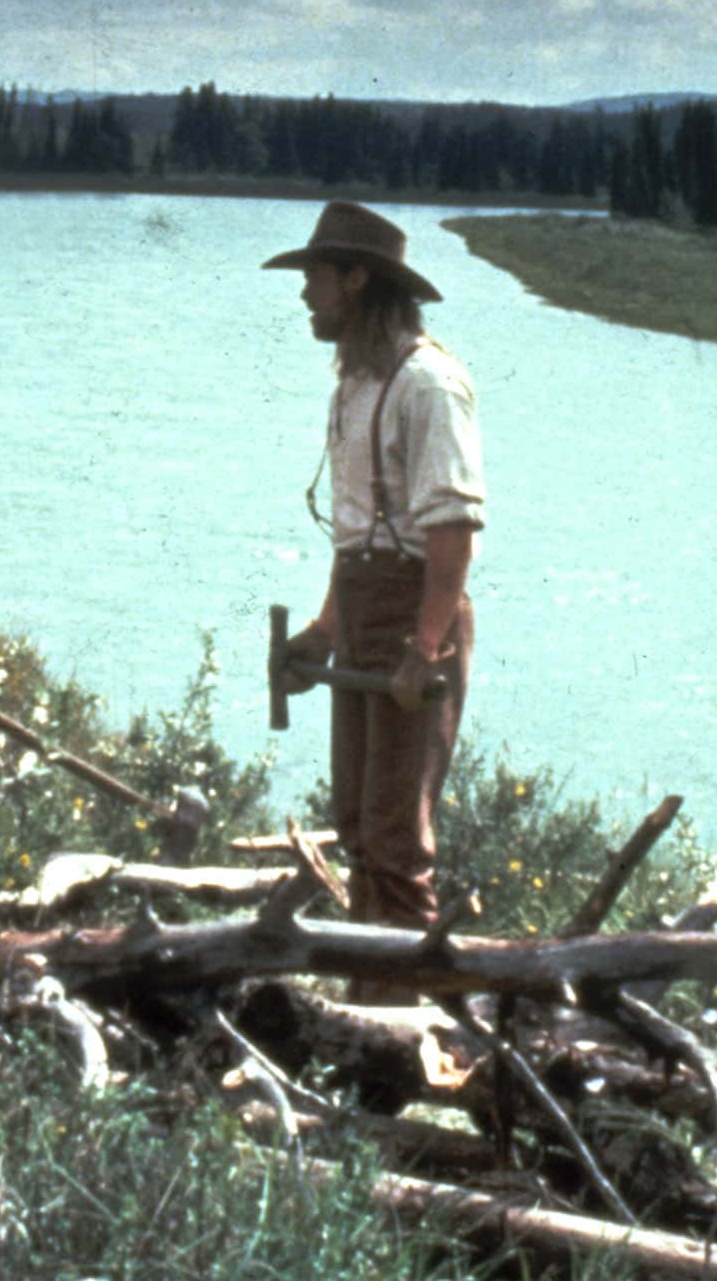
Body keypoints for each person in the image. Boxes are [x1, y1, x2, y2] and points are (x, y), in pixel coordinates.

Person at [264, 202, 484, 941]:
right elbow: (358, 532)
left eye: (316, 276)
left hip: (411, 619)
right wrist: (327, 628)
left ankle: (405, 1020)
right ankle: (369, 1001)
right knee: (358, 826)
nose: (305, 294)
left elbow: (451, 532)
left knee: (395, 843)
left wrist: (425, 647)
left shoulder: (429, 384)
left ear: (357, 279)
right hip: (364, 611)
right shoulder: (356, 385)